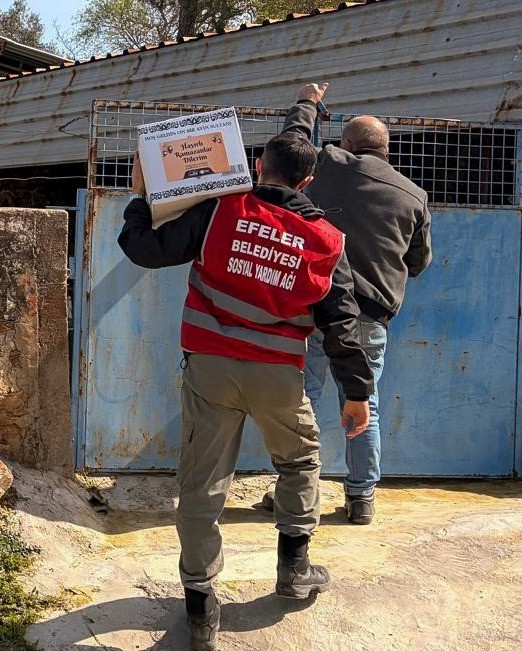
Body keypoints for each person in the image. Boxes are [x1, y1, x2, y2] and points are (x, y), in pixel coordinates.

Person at [118, 126, 374, 650]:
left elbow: (144, 249)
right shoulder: (325, 240)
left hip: (211, 368)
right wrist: (356, 392)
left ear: (259, 167)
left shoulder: (220, 210)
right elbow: (341, 322)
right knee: (299, 463)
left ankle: (200, 606)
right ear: (307, 181)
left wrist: (140, 197)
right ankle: (294, 570)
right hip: (278, 375)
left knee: (202, 483)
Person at [262, 82, 433, 525]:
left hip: (313, 311)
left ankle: (293, 492)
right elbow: (417, 263)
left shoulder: (327, 164)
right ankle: (361, 498)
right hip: (370, 318)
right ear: (386, 150)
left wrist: (307, 103)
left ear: (349, 144)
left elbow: (293, 143)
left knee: (301, 402)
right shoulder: (414, 196)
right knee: (362, 406)